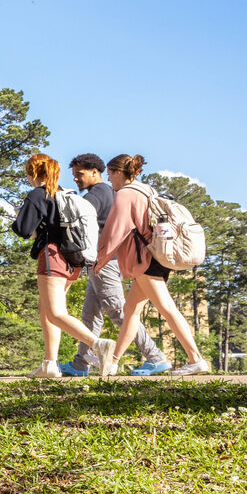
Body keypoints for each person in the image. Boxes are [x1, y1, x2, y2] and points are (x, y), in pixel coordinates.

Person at [92, 155, 212, 377]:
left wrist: (98, 260)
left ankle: (196, 359)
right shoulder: (147, 190)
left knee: (167, 308)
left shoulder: (125, 195)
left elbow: (114, 232)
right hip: (155, 256)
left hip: (145, 261)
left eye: (109, 174)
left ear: (118, 173)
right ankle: (112, 362)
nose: (109, 180)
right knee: (131, 311)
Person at [61, 154, 171, 376]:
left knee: (118, 310)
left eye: (79, 174)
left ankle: (156, 357)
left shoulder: (98, 193)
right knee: (91, 314)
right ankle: (81, 364)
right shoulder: (107, 192)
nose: (76, 179)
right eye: (74, 175)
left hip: (105, 261)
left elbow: (78, 216)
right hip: (102, 261)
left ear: (95, 172)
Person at [11, 154, 115, 379]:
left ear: (32, 173)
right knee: (46, 310)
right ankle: (49, 364)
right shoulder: (62, 193)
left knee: (56, 312)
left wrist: (19, 215)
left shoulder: (38, 194)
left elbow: (23, 229)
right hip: (72, 260)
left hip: (52, 257)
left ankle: (98, 344)